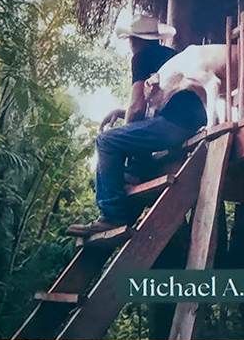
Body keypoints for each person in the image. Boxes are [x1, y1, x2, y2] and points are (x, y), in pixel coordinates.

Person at [66, 14, 207, 236]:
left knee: (107, 141)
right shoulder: (170, 55)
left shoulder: (142, 57)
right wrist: (122, 115)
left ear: (135, 40)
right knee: (134, 134)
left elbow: (137, 107)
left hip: (173, 124)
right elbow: (152, 107)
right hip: (192, 120)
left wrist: (127, 128)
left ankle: (112, 215)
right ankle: (134, 176)